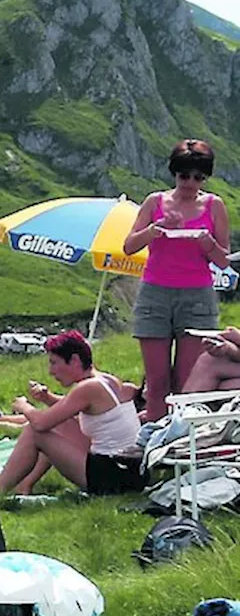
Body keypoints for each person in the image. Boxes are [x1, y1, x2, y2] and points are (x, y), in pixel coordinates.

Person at [123, 139, 230, 420]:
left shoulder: (214, 206)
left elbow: (223, 260)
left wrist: (207, 243)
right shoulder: (155, 202)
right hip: (155, 294)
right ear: (175, 173)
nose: (191, 183)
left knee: (186, 381)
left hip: (197, 296)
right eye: (185, 176)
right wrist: (153, 230)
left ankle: (176, 441)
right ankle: (153, 438)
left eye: (198, 177)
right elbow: (129, 246)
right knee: (157, 381)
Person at [0, 331, 146, 496]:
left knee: (34, 432)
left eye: (54, 363)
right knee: (57, 423)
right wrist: (47, 398)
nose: (51, 372)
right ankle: (24, 485)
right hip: (131, 472)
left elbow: (41, 423)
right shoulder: (106, 380)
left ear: (74, 360)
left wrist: (24, 406)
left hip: (112, 477)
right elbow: (70, 408)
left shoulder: (88, 388)